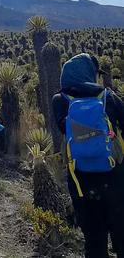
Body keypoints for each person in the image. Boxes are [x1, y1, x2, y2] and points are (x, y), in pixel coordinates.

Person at [52, 53, 124, 258]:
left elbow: (63, 130)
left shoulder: (60, 100)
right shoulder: (108, 96)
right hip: (115, 177)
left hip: (81, 180)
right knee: (121, 236)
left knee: (94, 240)